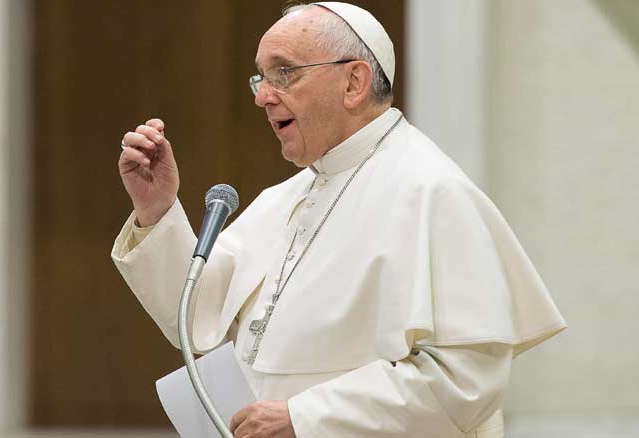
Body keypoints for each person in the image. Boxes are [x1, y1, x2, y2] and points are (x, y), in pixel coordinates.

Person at [112, 2, 566, 437]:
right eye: (261, 78)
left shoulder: (431, 191)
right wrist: (157, 210)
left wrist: (305, 419)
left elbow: (464, 381)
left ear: (354, 82)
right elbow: (194, 318)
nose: (263, 97)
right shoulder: (285, 198)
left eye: (284, 73)